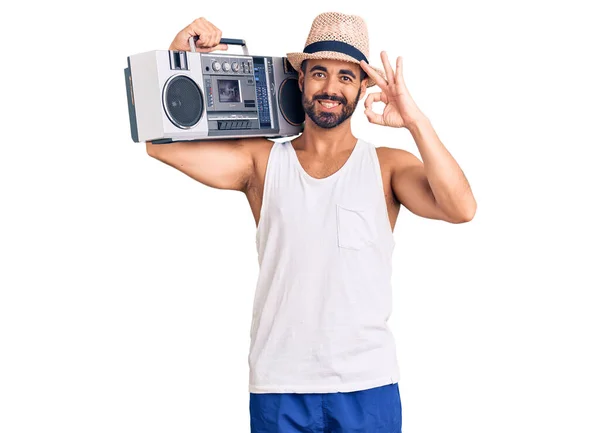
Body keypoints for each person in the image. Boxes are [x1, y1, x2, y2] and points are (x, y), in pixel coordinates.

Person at [147, 12, 476, 433]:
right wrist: (181, 57)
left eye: (345, 77)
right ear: (300, 80)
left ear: (361, 88)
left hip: (367, 385)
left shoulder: (388, 166)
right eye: (319, 72)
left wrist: (414, 120)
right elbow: (159, 146)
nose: (330, 88)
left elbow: (461, 208)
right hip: (279, 386)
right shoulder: (261, 161)